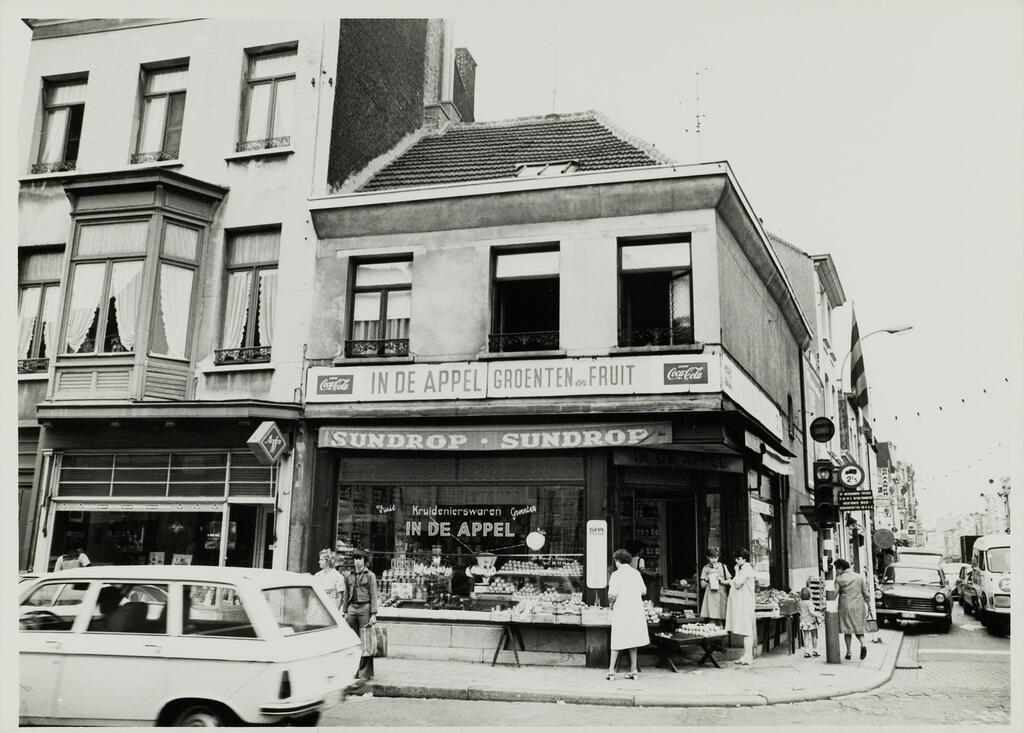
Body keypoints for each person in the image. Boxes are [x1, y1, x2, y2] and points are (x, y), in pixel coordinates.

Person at [606, 548, 649, 681]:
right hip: (635, 611)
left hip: (622, 611)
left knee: (616, 640)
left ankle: (611, 672)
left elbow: (612, 596)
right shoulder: (636, 573)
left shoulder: (616, 575)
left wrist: (611, 602)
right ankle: (634, 670)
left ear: (617, 560)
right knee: (633, 640)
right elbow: (643, 591)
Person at [342, 549, 379, 679]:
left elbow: (374, 595)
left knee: (366, 641)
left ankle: (365, 672)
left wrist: (373, 614)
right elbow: (346, 594)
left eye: (360, 559)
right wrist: (345, 611)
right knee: (353, 640)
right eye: (356, 559)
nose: (357, 562)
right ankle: (353, 669)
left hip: (365, 608)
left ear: (364, 561)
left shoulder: (370, 576)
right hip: (352, 609)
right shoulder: (348, 575)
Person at [723, 547, 756, 665]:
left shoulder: (746, 569)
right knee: (744, 630)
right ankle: (746, 655)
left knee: (747, 631)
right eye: (736, 558)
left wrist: (736, 571)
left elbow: (737, 583)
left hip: (746, 603)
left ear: (744, 559)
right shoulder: (742, 568)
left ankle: (749, 656)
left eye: (738, 558)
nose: (736, 560)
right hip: (742, 603)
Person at [833, 557, 870, 660]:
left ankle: (848, 652)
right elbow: (865, 593)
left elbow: (834, 594)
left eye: (836, 569)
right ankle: (863, 644)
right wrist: (869, 604)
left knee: (847, 630)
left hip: (845, 607)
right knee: (859, 629)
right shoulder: (860, 577)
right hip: (859, 606)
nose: (836, 571)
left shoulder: (839, 578)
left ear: (840, 568)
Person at [698, 546, 731, 626]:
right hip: (710, 595)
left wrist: (723, 581)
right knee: (711, 619)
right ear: (708, 557)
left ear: (718, 557)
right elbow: (702, 585)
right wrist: (707, 577)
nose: (714, 560)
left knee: (720, 619)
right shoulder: (706, 568)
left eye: (716, 558)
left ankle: (721, 632)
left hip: (721, 594)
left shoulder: (723, 567)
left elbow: (730, 580)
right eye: (711, 558)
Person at [798, 587, 823, 658]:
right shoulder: (809, 603)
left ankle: (806, 651)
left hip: (804, 622)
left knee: (806, 636)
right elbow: (812, 612)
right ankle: (815, 651)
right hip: (811, 622)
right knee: (814, 636)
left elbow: (800, 611)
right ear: (809, 595)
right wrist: (820, 616)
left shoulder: (800, 602)